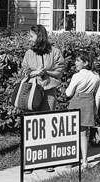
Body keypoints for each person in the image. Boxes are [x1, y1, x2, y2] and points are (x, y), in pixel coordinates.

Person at [21, 24, 65, 173]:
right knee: (31, 125)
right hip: (33, 92)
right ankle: (30, 161)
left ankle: (48, 161)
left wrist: (48, 72)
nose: (29, 38)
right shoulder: (28, 53)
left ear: (39, 36)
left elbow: (60, 71)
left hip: (48, 91)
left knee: (47, 124)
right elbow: (24, 70)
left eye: (31, 35)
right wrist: (35, 73)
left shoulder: (55, 52)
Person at [65, 50, 100, 169]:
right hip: (89, 104)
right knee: (84, 134)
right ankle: (84, 161)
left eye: (78, 61)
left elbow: (68, 93)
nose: (75, 63)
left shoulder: (77, 76)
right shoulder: (96, 76)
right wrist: (95, 111)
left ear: (85, 63)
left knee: (72, 132)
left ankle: (72, 159)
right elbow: (98, 96)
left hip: (77, 102)